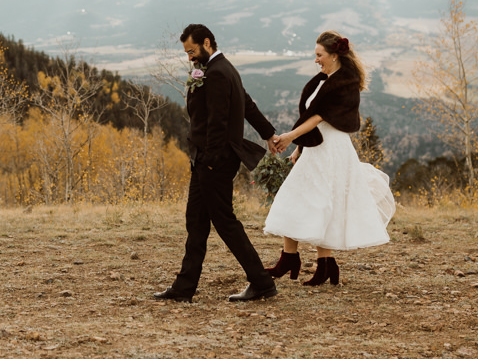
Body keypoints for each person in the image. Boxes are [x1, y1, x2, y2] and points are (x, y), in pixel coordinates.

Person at [154, 24, 280, 304]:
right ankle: (184, 287)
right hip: (204, 160)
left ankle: (261, 282)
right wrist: (269, 133)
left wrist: (209, 162)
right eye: (186, 52)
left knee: (225, 222)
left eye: (192, 51)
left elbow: (218, 123)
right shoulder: (222, 68)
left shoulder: (219, 72)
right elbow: (247, 104)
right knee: (196, 221)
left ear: (207, 42)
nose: (189, 57)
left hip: (214, 162)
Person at [261, 31, 395, 286]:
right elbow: (312, 116)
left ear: (334, 55)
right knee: (303, 198)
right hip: (316, 147)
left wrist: (290, 137)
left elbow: (319, 117)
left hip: (331, 150)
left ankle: (313, 262)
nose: (316, 60)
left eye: (319, 55)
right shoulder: (325, 79)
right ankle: (311, 261)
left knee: (319, 201)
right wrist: (301, 147)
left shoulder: (345, 82)